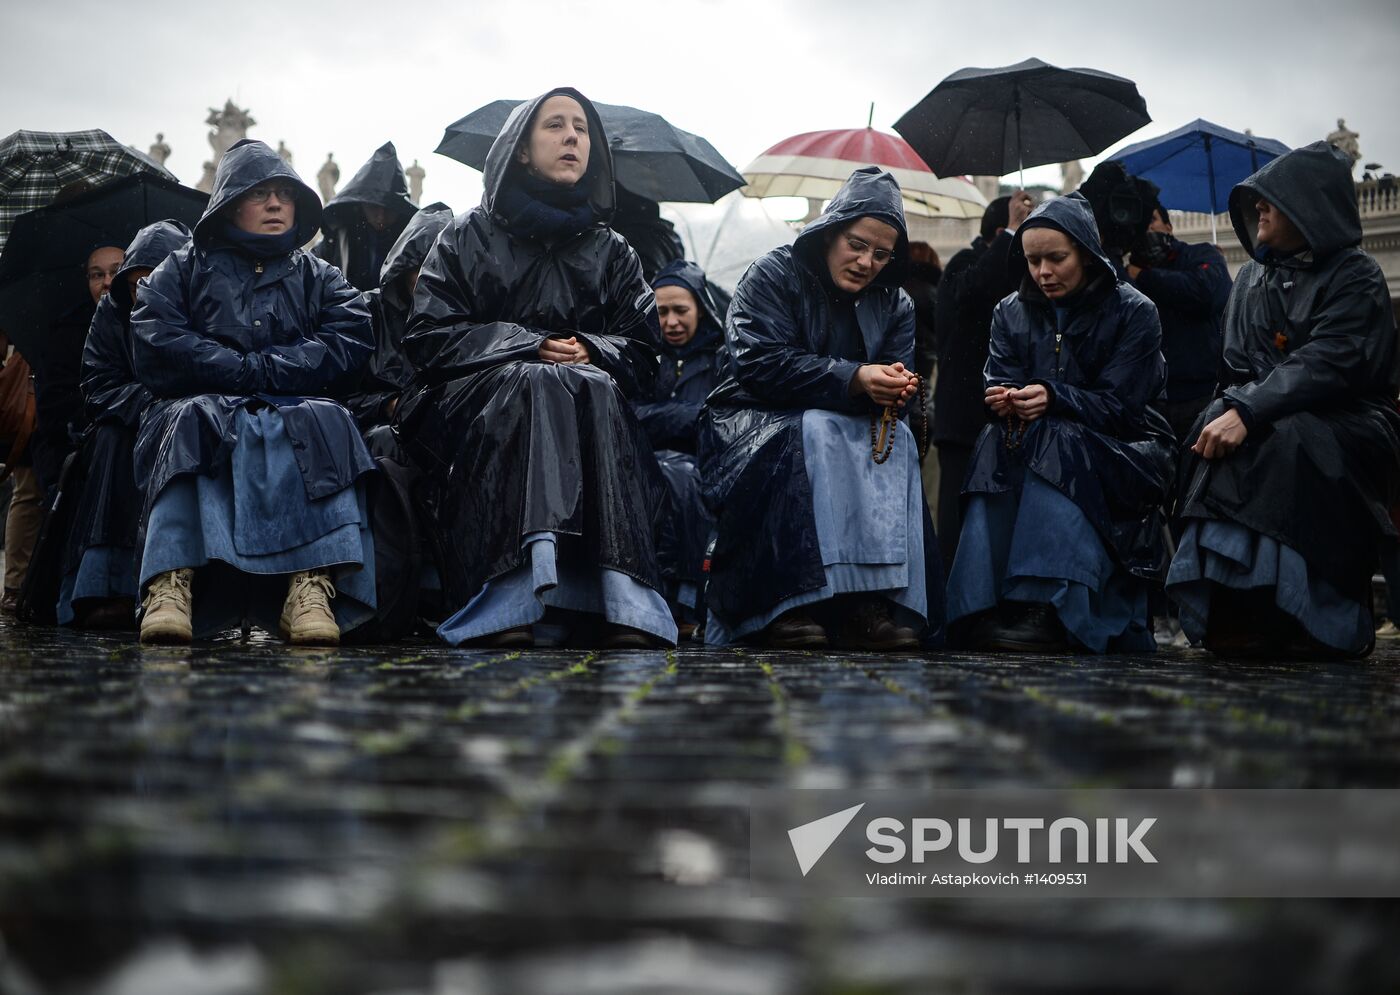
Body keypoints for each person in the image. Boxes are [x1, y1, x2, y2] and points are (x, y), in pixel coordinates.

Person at [396, 88, 674, 650]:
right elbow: (427, 336)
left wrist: (593, 350)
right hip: (471, 407)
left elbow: (646, 353)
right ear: (520, 150)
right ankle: (508, 598)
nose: (573, 137)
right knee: (539, 381)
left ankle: (621, 601)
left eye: (582, 128)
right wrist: (527, 345)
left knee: (581, 382)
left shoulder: (613, 250)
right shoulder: (468, 234)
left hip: (586, 400)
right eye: (555, 126)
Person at [131, 139, 377, 645]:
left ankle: (311, 585)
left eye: (284, 195)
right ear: (228, 202)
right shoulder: (183, 267)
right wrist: (231, 369)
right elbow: (155, 328)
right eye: (260, 193)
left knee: (327, 420)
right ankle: (170, 581)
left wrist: (270, 368)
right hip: (202, 399)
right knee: (190, 419)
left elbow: (351, 332)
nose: (275, 204)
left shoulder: (319, 274)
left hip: (292, 400)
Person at [1167, 142, 1400, 658]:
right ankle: (1234, 603)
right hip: (1268, 414)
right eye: (1257, 201)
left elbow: (1334, 361)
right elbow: (1236, 365)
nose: (1260, 210)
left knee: (1285, 437)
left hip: (1351, 419)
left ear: (1311, 207)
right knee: (1212, 427)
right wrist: (1238, 409)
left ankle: (1296, 612)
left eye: (1274, 198)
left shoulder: (1355, 275)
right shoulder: (1251, 277)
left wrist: (1250, 410)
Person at [699, 165, 939, 650]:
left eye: (880, 253)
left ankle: (867, 600)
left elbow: (899, 378)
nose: (866, 261)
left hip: (845, 429)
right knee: (819, 431)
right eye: (856, 244)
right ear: (831, 231)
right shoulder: (771, 273)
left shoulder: (896, 304)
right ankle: (792, 600)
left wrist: (899, 390)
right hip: (750, 419)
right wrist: (853, 377)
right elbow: (758, 363)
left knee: (892, 442)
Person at [945, 192, 1174, 653]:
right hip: (1044, 437)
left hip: (1131, 449)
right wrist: (1004, 399)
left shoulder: (1136, 311)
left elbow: (1124, 408)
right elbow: (999, 379)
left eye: (1056, 259)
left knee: (1055, 436)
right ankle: (980, 604)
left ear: (1086, 255)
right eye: (1032, 261)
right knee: (995, 438)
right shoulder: (1009, 310)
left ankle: (1045, 602)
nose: (1043, 273)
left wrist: (1053, 397)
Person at [56, 221, 193, 628]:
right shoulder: (111, 314)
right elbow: (97, 381)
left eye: (153, 281)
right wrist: (150, 404)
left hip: (185, 422)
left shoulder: (201, 312)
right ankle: (106, 585)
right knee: (113, 444)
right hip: (127, 424)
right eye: (135, 283)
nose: (142, 292)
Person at [932, 193, 1033, 564]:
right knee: (958, 526)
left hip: (1005, 421)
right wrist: (1012, 229)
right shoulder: (965, 263)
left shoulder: (1022, 278)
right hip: (963, 420)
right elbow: (976, 293)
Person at [634, 260, 725, 636]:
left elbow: (717, 417)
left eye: (680, 311)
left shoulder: (722, 356)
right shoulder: (641, 356)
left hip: (702, 465)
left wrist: (661, 417)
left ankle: (683, 601)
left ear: (700, 309)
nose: (670, 322)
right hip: (646, 460)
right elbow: (628, 413)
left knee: (682, 478)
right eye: (662, 312)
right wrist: (685, 415)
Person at [345, 201, 454, 439]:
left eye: (439, 267)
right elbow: (338, 394)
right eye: (421, 268)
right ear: (404, 267)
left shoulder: (465, 321)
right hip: (380, 438)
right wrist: (388, 404)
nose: (430, 279)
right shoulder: (367, 312)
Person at [1126, 206, 1232, 444]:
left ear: (1169, 226)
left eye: (1152, 219)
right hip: (1153, 403)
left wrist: (1143, 276)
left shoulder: (1202, 254)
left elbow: (1205, 292)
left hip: (1203, 396)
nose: (1147, 227)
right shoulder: (1125, 276)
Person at [315, 141, 418, 291]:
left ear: (401, 210)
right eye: (373, 208)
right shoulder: (336, 241)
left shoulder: (414, 244)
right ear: (361, 205)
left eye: (389, 209)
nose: (380, 217)